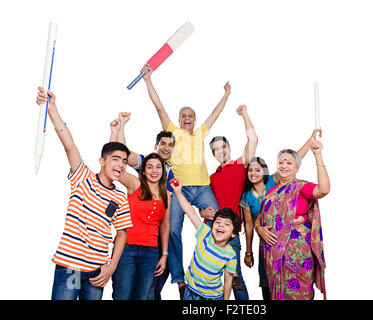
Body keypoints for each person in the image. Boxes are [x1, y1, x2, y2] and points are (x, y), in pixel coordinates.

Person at [140, 65, 231, 297]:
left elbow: (216, 114)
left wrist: (226, 95)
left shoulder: (200, 133)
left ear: (195, 120)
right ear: (179, 121)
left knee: (220, 219)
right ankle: (180, 279)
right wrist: (148, 80)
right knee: (173, 231)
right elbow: (159, 106)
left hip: (202, 189)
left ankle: (214, 267)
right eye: (183, 117)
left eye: (190, 116)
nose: (187, 119)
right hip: (179, 190)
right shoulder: (173, 133)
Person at [35, 87, 134, 300]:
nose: (121, 164)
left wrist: (110, 267)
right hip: (71, 266)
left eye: (124, 162)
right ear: (102, 161)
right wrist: (52, 108)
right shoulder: (83, 177)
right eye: (116, 159)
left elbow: (122, 233)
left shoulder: (119, 197)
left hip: (97, 272)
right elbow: (68, 144)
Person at [240, 130, 321, 300]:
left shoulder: (274, 182)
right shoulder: (247, 196)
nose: (253, 173)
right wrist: (251, 247)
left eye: (258, 169)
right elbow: (250, 223)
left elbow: (293, 159)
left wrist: (310, 140)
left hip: (291, 245)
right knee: (268, 282)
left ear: (265, 171)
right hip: (268, 243)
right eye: (250, 170)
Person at [110, 113, 174, 299]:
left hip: (150, 252)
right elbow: (116, 163)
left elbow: (165, 226)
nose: (154, 171)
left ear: (163, 172)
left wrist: (164, 254)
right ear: (143, 171)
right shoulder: (135, 184)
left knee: (143, 295)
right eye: (150, 167)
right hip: (126, 249)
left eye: (158, 167)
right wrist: (119, 128)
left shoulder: (166, 195)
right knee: (122, 295)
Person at [200, 104, 257, 300]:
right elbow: (203, 204)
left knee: (234, 277)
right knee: (208, 276)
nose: (221, 151)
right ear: (213, 154)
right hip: (211, 233)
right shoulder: (211, 177)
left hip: (231, 233)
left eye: (223, 147)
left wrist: (244, 115)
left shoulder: (240, 166)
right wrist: (202, 213)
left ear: (229, 148)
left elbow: (253, 139)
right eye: (216, 149)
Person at [170, 178, 240, 300]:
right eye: (218, 222)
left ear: (233, 234)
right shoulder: (205, 233)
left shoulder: (230, 254)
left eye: (226, 224)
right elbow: (191, 212)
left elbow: (228, 278)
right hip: (190, 292)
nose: (221, 225)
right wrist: (178, 193)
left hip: (213, 297)